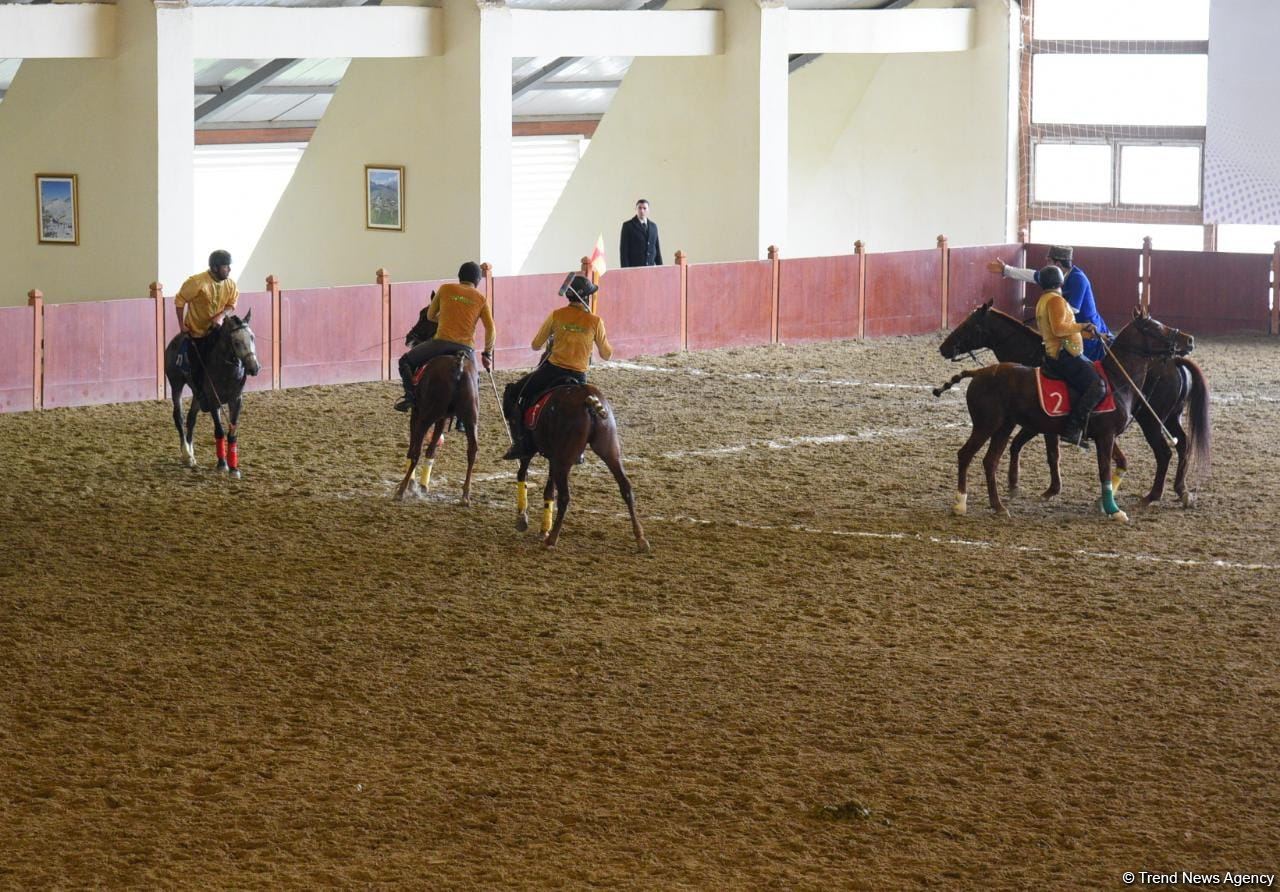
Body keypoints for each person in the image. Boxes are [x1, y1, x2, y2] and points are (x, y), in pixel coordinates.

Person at [501, 273, 613, 460]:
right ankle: (580, 450)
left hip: (552, 371)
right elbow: (606, 354)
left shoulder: (557, 315)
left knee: (513, 392)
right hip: (579, 377)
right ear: (585, 297)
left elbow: (536, 345)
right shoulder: (596, 321)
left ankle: (520, 442)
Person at [394, 261, 494, 412]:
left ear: (459, 277)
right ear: (478, 281)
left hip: (440, 343)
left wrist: (446, 319)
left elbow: (430, 315)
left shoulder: (445, 288)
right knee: (475, 380)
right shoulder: (481, 299)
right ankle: (466, 414)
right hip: (466, 348)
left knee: (405, 361)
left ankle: (409, 397)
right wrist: (487, 353)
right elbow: (491, 329)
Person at [988, 244, 1110, 361]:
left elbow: (1072, 309)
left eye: (1048, 262)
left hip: (1088, 331)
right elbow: (1034, 275)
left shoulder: (1078, 279)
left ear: (1057, 264)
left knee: (1086, 365)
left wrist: (1048, 312)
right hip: (1068, 329)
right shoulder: (1055, 276)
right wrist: (1006, 269)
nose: (1045, 265)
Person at [1034, 264, 1105, 447]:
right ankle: (1073, 429)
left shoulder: (1044, 299)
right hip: (1065, 355)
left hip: (1058, 351)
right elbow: (1059, 329)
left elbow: (1063, 330)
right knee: (1098, 386)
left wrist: (1091, 334)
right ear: (1061, 281)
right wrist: (1083, 325)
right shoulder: (1056, 301)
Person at [175, 249, 239, 398]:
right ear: (215, 268)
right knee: (198, 364)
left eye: (229, 266)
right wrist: (181, 325)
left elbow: (232, 303)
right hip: (197, 332)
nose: (229, 269)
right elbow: (180, 301)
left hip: (218, 329)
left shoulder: (230, 284)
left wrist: (221, 316)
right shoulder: (196, 282)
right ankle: (200, 393)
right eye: (226, 266)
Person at [619, 198, 662, 268]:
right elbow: (624, 252)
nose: (642, 211)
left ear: (648, 210)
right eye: (640, 208)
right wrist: (625, 271)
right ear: (636, 209)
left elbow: (657, 250)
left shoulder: (653, 226)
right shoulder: (628, 226)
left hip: (650, 269)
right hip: (634, 269)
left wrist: (661, 269)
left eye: (644, 208)